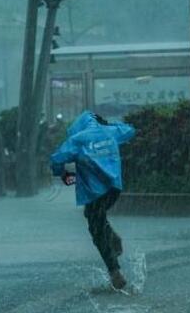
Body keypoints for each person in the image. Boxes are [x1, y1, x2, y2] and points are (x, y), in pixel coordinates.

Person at [50, 111, 135, 289]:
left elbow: (56, 159)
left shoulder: (77, 140)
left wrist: (63, 174)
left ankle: (114, 271)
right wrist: (107, 127)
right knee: (96, 217)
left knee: (96, 229)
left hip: (94, 192)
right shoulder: (111, 132)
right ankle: (112, 237)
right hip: (114, 189)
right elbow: (129, 130)